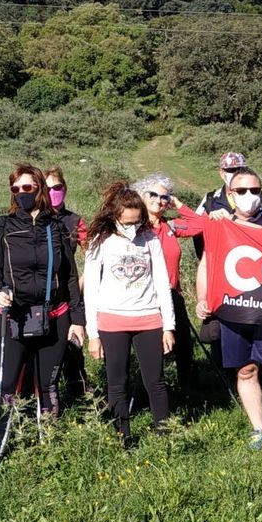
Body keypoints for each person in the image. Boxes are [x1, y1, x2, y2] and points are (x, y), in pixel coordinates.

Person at [193, 168, 262, 449]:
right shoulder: (218, 224)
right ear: (230, 194)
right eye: (241, 191)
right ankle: (259, 429)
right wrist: (202, 298)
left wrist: (233, 224)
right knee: (246, 371)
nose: (249, 195)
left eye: (255, 190)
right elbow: (206, 263)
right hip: (233, 309)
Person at [0, 164, 85, 442]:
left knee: (48, 384)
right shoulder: (3, 225)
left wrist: (78, 320)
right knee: (6, 385)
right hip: (13, 317)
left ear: (40, 188)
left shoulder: (56, 226)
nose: (21, 193)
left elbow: (69, 276)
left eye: (27, 187)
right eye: (15, 188)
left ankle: (47, 444)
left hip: (54, 316)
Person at [84, 182, 176, 446]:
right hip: (111, 321)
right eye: (126, 223)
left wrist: (168, 326)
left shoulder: (150, 239)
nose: (132, 227)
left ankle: (165, 436)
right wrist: (93, 334)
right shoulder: (99, 242)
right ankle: (122, 438)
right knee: (117, 382)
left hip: (149, 319)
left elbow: (162, 283)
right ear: (114, 217)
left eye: (137, 222)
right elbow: (91, 289)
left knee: (156, 381)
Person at [135, 172, 198, 388]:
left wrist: (177, 203)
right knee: (153, 350)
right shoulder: (134, 228)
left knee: (184, 347)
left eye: (164, 197)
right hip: (146, 298)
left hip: (173, 295)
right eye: (153, 194)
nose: (159, 200)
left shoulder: (170, 226)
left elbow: (200, 225)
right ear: (141, 196)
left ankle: (186, 391)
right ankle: (151, 391)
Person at [44, 165, 90, 402]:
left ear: (65, 188)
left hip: (69, 291)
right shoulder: (36, 218)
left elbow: (92, 256)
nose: (53, 192)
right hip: (43, 293)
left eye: (57, 187)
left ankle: (78, 389)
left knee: (73, 344)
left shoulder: (75, 221)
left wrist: (81, 285)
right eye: (48, 188)